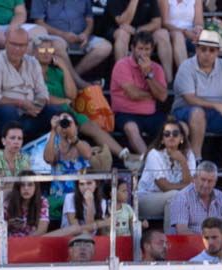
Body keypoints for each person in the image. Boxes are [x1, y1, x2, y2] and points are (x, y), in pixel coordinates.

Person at [35, 35, 129, 166]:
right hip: (44, 112)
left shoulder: (56, 71)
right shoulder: (31, 70)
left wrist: (64, 68)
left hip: (66, 111)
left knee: (92, 126)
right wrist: (63, 102)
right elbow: (39, 97)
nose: (46, 54)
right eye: (42, 50)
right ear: (34, 52)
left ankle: (124, 155)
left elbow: (72, 95)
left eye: (49, 50)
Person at [173, 29, 222, 170]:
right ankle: (197, 160)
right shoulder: (186, 67)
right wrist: (217, 105)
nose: (207, 54)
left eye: (212, 50)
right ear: (197, 49)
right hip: (186, 111)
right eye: (203, 49)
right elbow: (190, 99)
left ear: (218, 52)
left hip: (217, 113)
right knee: (197, 112)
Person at [0, 27, 59, 141]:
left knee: (55, 112)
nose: (17, 49)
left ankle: (50, 152)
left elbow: (42, 91)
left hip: (28, 113)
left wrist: (37, 105)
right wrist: (20, 103)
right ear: (6, 43)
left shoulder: (33, 62)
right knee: (9, 111)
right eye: (13, 44)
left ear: (27, 47)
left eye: (22, 45)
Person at [111, 31, 169, 159]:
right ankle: (151, 162)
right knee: (131, 128)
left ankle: (171, 161)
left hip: (150, 114)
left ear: (152, 49)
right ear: (132, 48)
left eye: (147, 49)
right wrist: (154, 94)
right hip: (125, 113)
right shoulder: (122, 65)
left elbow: (163, 97)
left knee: (170, 128)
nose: (143, 53)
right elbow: (134, 94)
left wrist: (148, 74)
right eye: (140, 49)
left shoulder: (156, 68)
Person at [30, 0, 112, 83]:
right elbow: (39, 23)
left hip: (81, 36)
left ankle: (72, 78)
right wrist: (63, 34)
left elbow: (89, 19)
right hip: (56, 36)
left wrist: (86, 34)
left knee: (105, 47)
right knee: (58, 45)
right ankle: (79, 83)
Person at [137, 118, 194, 224]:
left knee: (174, 201)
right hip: (146, 199)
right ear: (162, 139)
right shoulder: (154, 154)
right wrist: (185, 185)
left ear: (181, 137)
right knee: (175, 196)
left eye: (175, 133)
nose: (171, 137)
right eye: (167, 134)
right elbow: (164, 186)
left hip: (173, 199)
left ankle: (172, 237)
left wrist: (182, 161)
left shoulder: (189, 154)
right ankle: (173, 238)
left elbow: (191, 185)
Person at [43, 110, 92, 219]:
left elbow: (87, 154)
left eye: (68, 122)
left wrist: (72, 137)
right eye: (62, 123)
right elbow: (48, 158)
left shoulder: (82, 144)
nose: (65, 126)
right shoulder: (54, 146)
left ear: (77, 127)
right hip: (57, 200)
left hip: (79, 199)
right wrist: (53, 131)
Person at [108, 0, 174, 79]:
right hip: (119, 33)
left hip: (141, 32)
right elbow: (124, 22)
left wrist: (137, 30)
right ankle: (123, 77)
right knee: (123, 34)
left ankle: (169, 80)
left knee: (163, 33)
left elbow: (157, 23)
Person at [167, 160, 222, 234]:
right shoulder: (182, 197)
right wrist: (205, 242)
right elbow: (182, 230)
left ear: (215, 182)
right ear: (195, 178)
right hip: (190, 243)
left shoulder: (221, 197)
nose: (206, 185)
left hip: (217, 242)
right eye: (203, 180)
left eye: (210, 181)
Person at [159, 0, 202, 85]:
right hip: (171, 32)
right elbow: (165, 23)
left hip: (190, 34)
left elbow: (199, 21)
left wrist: (198, 29)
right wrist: (184, 32)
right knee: (178, 36)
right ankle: (185, 79)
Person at [0, 121, 29, 197]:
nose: (16, 142)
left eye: (19, 138)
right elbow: (0, 188)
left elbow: (28, 184)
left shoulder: (24, 159)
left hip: (18, 197)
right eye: (12, 138)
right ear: (3, 141)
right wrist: (21, 182)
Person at [6, 170, 49, 237]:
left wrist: (25, 242)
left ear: (36, 187)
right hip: (10, 242)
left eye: (30, 185)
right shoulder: (9, 200)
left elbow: (42, 229)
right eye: (22, 185)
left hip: (33, 242)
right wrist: (9, 224)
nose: (26, 188)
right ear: (18, 187)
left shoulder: (42, 201)